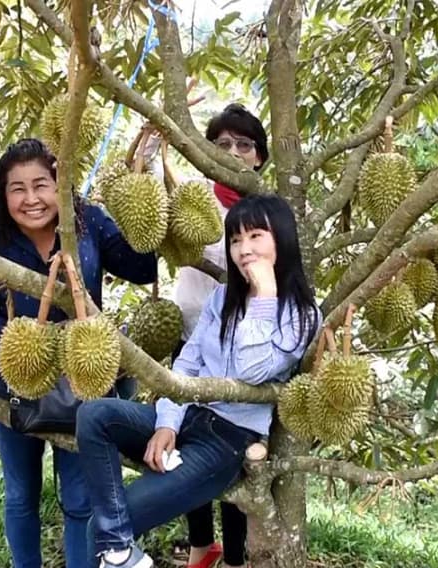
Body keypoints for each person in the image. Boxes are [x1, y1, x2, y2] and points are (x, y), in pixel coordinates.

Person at [77, 194, 321, 568]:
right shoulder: (222, 297)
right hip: (188, 416)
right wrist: (167, 423)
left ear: (282, 240)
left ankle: (116, 548)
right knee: (95, 415)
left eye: (256, 236)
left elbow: (251, 371)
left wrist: (265, 297)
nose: (243, 249)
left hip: (227, 441)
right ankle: (121, 552)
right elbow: (186, 365)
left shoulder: (301, 315)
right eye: (236, 240)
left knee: (102, 527)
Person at [0, 139, 157, 568]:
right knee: (19, 495)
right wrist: (39, 336)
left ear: (61, 186)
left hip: (81, 390)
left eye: (42, 185)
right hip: (13, 390)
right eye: (18, 189)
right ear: (3, 195)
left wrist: (143, 183)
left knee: (80, 497)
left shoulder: (86, 222)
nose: (31, 199)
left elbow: (143, 267)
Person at [169, 103, 270, 568]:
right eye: (221, 144)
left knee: (234, 454)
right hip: (189, 337)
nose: (232, 152)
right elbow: (155, 219)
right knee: (188, 444)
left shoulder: (269, 216)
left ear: (260, 158)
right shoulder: (191, 198)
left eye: (244, 144)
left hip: (243, 350)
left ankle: (234, 558)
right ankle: (199, 547)